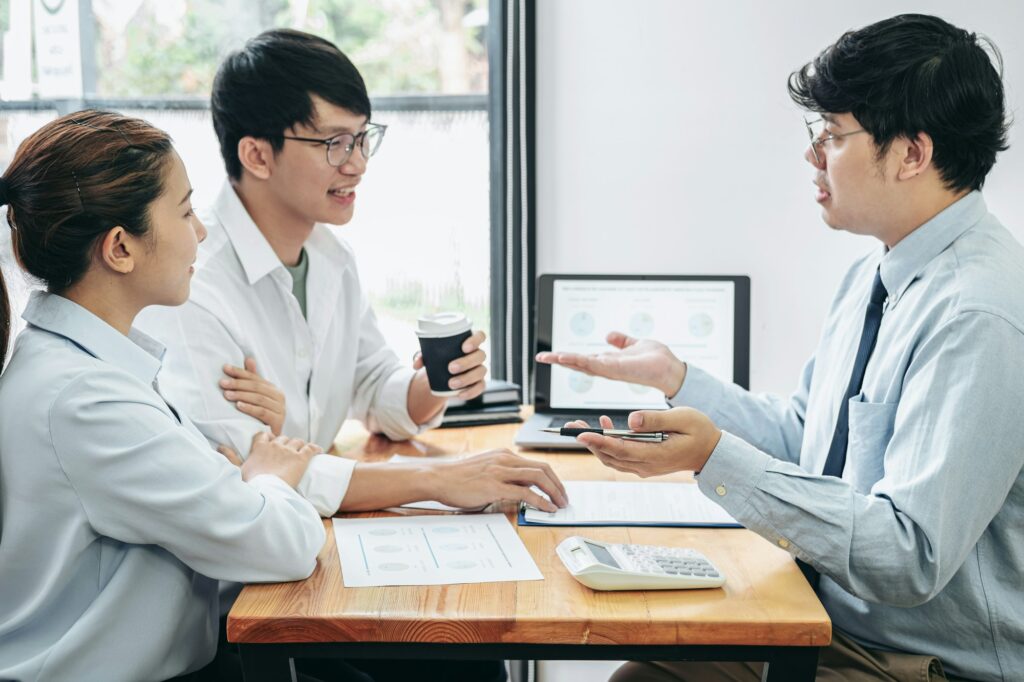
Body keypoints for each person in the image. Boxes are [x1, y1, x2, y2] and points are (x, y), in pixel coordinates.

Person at [538, 14, 1023, 682]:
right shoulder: (875, 275)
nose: (813, 155)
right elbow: (808, 439)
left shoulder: (980, 312)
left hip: (920, 665)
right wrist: (679, 379)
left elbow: (909, 555)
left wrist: (714, 457)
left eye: (834, 135)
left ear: (912, 154)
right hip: (828, 622)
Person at [137, 28, 566, 523]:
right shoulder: (192, 283)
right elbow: (251, 475)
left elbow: (372, 386)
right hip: (242, 571)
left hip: (311, 534)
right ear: (257, 155)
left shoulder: (330, 257)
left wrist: (433, 384)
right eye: (336, 143)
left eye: (363, 138)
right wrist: (442, 480)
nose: (358, 164)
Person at [0, 110, 326, 681]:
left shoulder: (84, 369)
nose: (200, 231)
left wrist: (248, 480)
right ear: (120, 248)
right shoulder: (86, 402)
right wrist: (272, 476)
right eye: (184, 210)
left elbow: (220, 495)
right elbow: (283, 543)